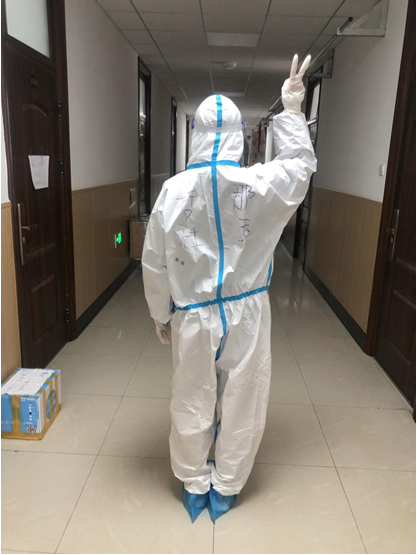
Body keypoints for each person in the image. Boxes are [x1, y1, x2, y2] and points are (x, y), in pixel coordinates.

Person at [142, 54, 317, 522]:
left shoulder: (173, 191)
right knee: (244, 396)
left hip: (192, 315)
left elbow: (154, 261)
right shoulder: (259, 183)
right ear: (239, 136)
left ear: (196, 134)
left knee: (191, 395)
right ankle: (227, 487)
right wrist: (292, 112)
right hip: (247, 312)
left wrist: (161, 312)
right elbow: (299, 168)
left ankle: (194, 484)